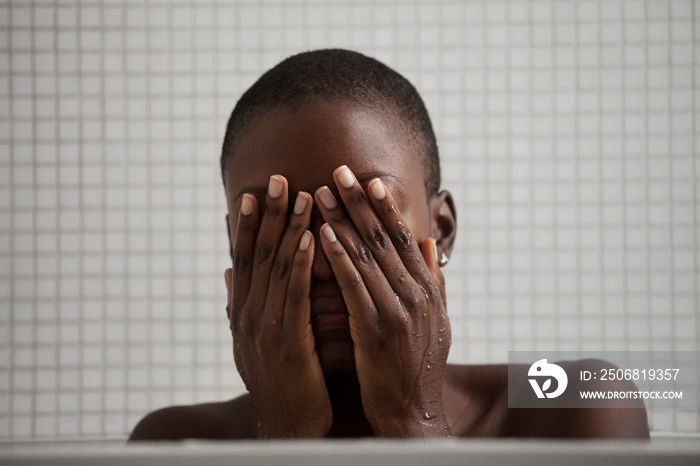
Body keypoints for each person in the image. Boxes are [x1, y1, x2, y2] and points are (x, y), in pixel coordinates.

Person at [129, 49, 649, 440]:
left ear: (440, 228)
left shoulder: (579, 406)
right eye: (276, 221)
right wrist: (285, 435)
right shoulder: (175, 441)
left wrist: (413, 419)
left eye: (362, 214)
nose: (323, 262)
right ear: (237, 246)